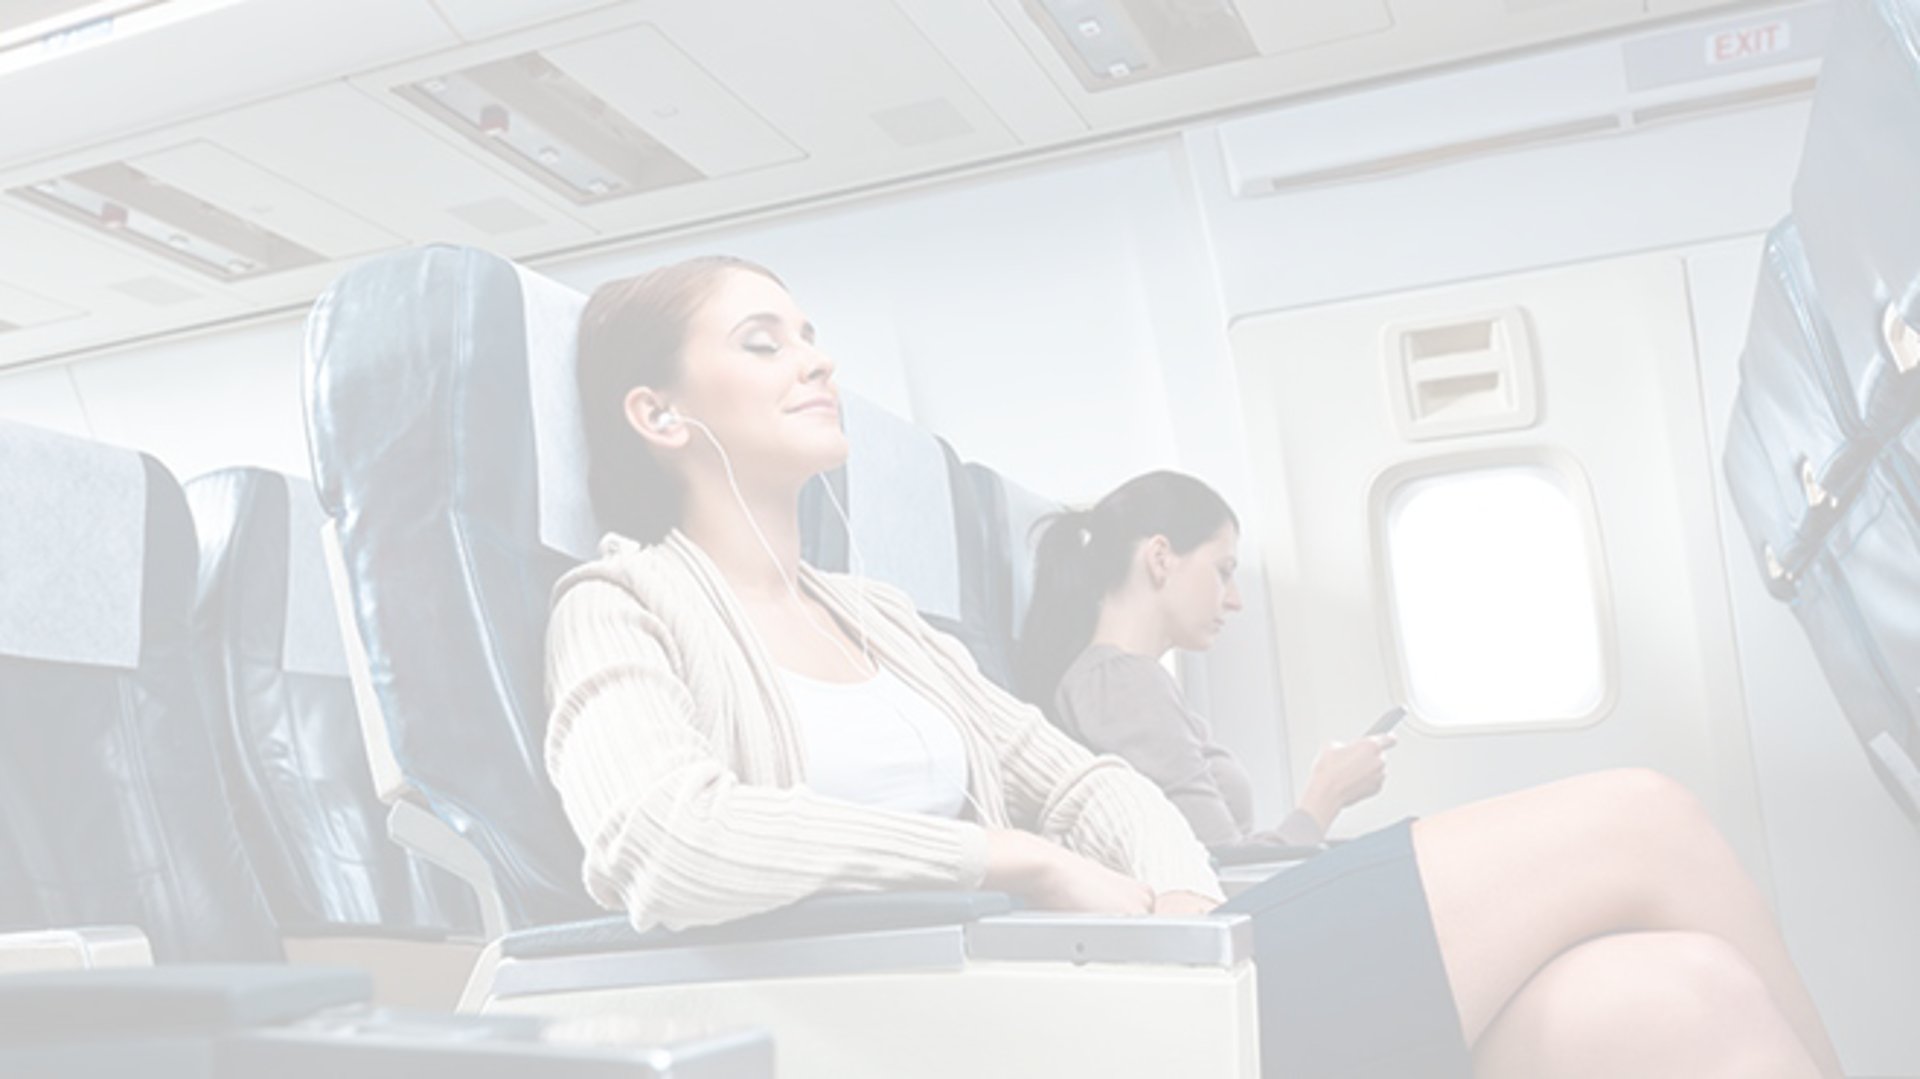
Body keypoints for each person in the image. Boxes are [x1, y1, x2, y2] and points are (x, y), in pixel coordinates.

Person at [544, 254, 1845, 1078]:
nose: (816, 355)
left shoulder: (879, 616)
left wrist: (1171, 910)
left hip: (1136, 981)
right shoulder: (618, 606)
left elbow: (1085, 784)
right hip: (988, 1016)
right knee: (1641, 815)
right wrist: (1021, 862)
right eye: (762, 340)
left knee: (1679, 994)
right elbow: (663, 840)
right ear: (661, 414)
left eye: (811, 329)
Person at [1016, 471, 1391, 849]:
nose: (1235, 600)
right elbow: (1223, 866)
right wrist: (1325, 798)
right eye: (1222, 572)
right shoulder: (1123, 683)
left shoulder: (1123, 682)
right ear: (1161, 559)